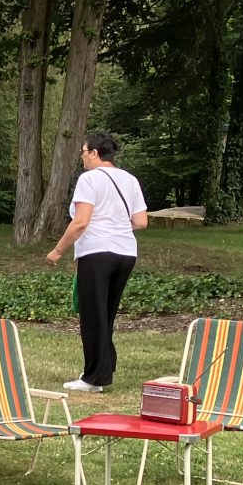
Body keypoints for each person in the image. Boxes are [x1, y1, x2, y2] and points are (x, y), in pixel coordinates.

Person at [46, 130, 148, 394]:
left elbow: (81, 221)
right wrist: (115, 226)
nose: (81, 157)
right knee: (106, 312)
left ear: (94, 152)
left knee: (92, 314)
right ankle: (104, 367)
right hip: (126, 253)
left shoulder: (89, 179)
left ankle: (93, 378)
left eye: (83, 152)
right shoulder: (130, 180)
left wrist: (57, 251)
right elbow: (141, 221)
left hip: (96, 252)